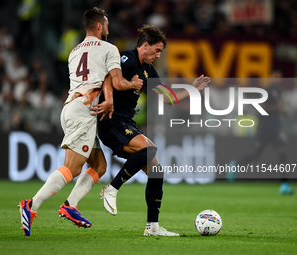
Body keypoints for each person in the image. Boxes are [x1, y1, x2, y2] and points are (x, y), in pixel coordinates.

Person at [66, 25, 209, 236]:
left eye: (161, 51)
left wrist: (193, 89)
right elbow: (108, 77)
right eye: (157, 50)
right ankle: (112, 189)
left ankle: (153, 227)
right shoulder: (127, 59)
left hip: (126, 123)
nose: (158, 55)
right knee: (150, 150)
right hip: (111, 121)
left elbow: (168, 98)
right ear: (145, 45)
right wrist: (111, 100)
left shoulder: (149, 71)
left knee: (156, 172)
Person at [18, 7, 140, 236]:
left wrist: (110, 99)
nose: (108, 29)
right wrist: (133, 84)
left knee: (99, 166)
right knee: (72, 168)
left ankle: (70, 206)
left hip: (73, 106)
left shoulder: (74, 51)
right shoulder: (109, 48)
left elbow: (100, 79)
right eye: (106, 25)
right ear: (99, 26)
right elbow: (117, 81)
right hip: (84, 110)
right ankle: (31, 205)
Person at [228, 68, 294, 195]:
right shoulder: (266, 91)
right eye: (274, 76)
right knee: (255, 154)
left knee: (282, 153)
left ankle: (284, 184)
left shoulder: (279, 91)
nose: (277, 78)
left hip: (276, 128)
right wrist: (278, 108)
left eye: (279, 76)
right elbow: (260, 107)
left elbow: (281, 109)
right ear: (270, 77)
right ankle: (235, 164)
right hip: (264, 128)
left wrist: (283, 111)